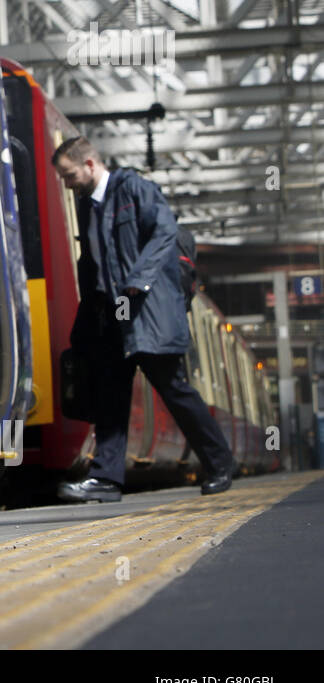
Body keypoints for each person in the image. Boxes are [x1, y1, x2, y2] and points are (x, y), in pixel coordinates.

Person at [52, 136, 235, 501]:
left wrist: (139, 280)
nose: (67, 183)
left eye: (69, 175)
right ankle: (105, 478)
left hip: (146, 312)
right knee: (111, 395)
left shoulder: (134, 188)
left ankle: (220, 464)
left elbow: (165, 230)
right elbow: (92, 265)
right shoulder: (88, 205)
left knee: (174, 389)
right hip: (112, 316)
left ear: (89, 164)